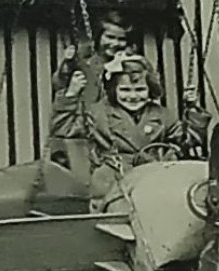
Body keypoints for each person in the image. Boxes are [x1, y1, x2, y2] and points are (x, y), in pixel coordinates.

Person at [86, 54, 210, 210]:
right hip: (114, 183)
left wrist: (192, 110)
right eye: (125, 90)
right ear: (113, 90)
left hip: (155, 180)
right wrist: (70, 95)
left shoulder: (161, 115)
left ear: (150, 89)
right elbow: (71, 132)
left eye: (140, 90)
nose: (133, 96)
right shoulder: (99, 114)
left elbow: (187, 140)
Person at [48, 12, 140, 146]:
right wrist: (67, 65)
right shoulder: (83, 61)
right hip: (88, 123)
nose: (115, 43)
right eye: (109, 37)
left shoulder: (130, 63)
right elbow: (60, 83)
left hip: (117, 126)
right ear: (99, 36)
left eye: (121, 39)